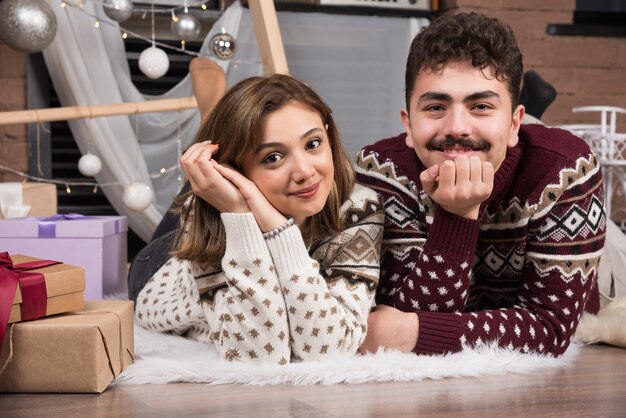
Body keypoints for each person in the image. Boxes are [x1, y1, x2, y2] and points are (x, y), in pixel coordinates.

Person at [355, 12, 605, 357]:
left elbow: (551, 329)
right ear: (408, 125)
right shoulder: (381, 171)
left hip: (606, 281)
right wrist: (458, 215)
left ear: (514, 123)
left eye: (480, 105)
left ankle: (530, 112)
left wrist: (412, 331)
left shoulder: (567, 169)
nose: (457, 126)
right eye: (436, 106)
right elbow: (403, 323)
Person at [135, 74, 384, 365]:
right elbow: (259, 356)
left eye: (313, 143)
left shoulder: (358, 207)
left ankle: (213, 134)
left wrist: (276, 228)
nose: (304, 171)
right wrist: (238, 215)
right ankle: (210, 155)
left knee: (203, 180)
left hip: (254, 195)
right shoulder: (210, 216)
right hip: (161, 264)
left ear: (328, 135)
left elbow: (329, 351)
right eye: (273, 157)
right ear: (237, 171)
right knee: (199, 192)